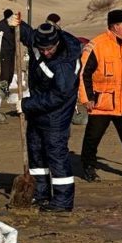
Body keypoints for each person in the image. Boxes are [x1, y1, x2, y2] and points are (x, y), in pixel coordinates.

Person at [78, 10, 122, 182]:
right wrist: (86, 98)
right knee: (93, 138)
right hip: (102, 102)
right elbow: (84, 74)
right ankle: (88, 167)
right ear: (115, 26)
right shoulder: (97, 45)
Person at [21, 22, 82, 213]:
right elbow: (26, 33)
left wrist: (25, 104)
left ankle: (62, 202)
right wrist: (13, 22)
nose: (46, 52)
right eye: (42, 49)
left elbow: (58, 96)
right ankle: (40, 194)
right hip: (37, 111)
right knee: (36, 153)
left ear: (57, 43)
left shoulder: (65, 63)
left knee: (56, 156)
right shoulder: (37, 41)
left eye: (50, 49)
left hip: (56, 115)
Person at [0, 9, 17, 85]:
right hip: (4, 51)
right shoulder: (0, 25)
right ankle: (3, 87)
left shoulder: (15, 25)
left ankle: (7, 85)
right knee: (5, 72)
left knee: (11, 71)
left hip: (12, 51)